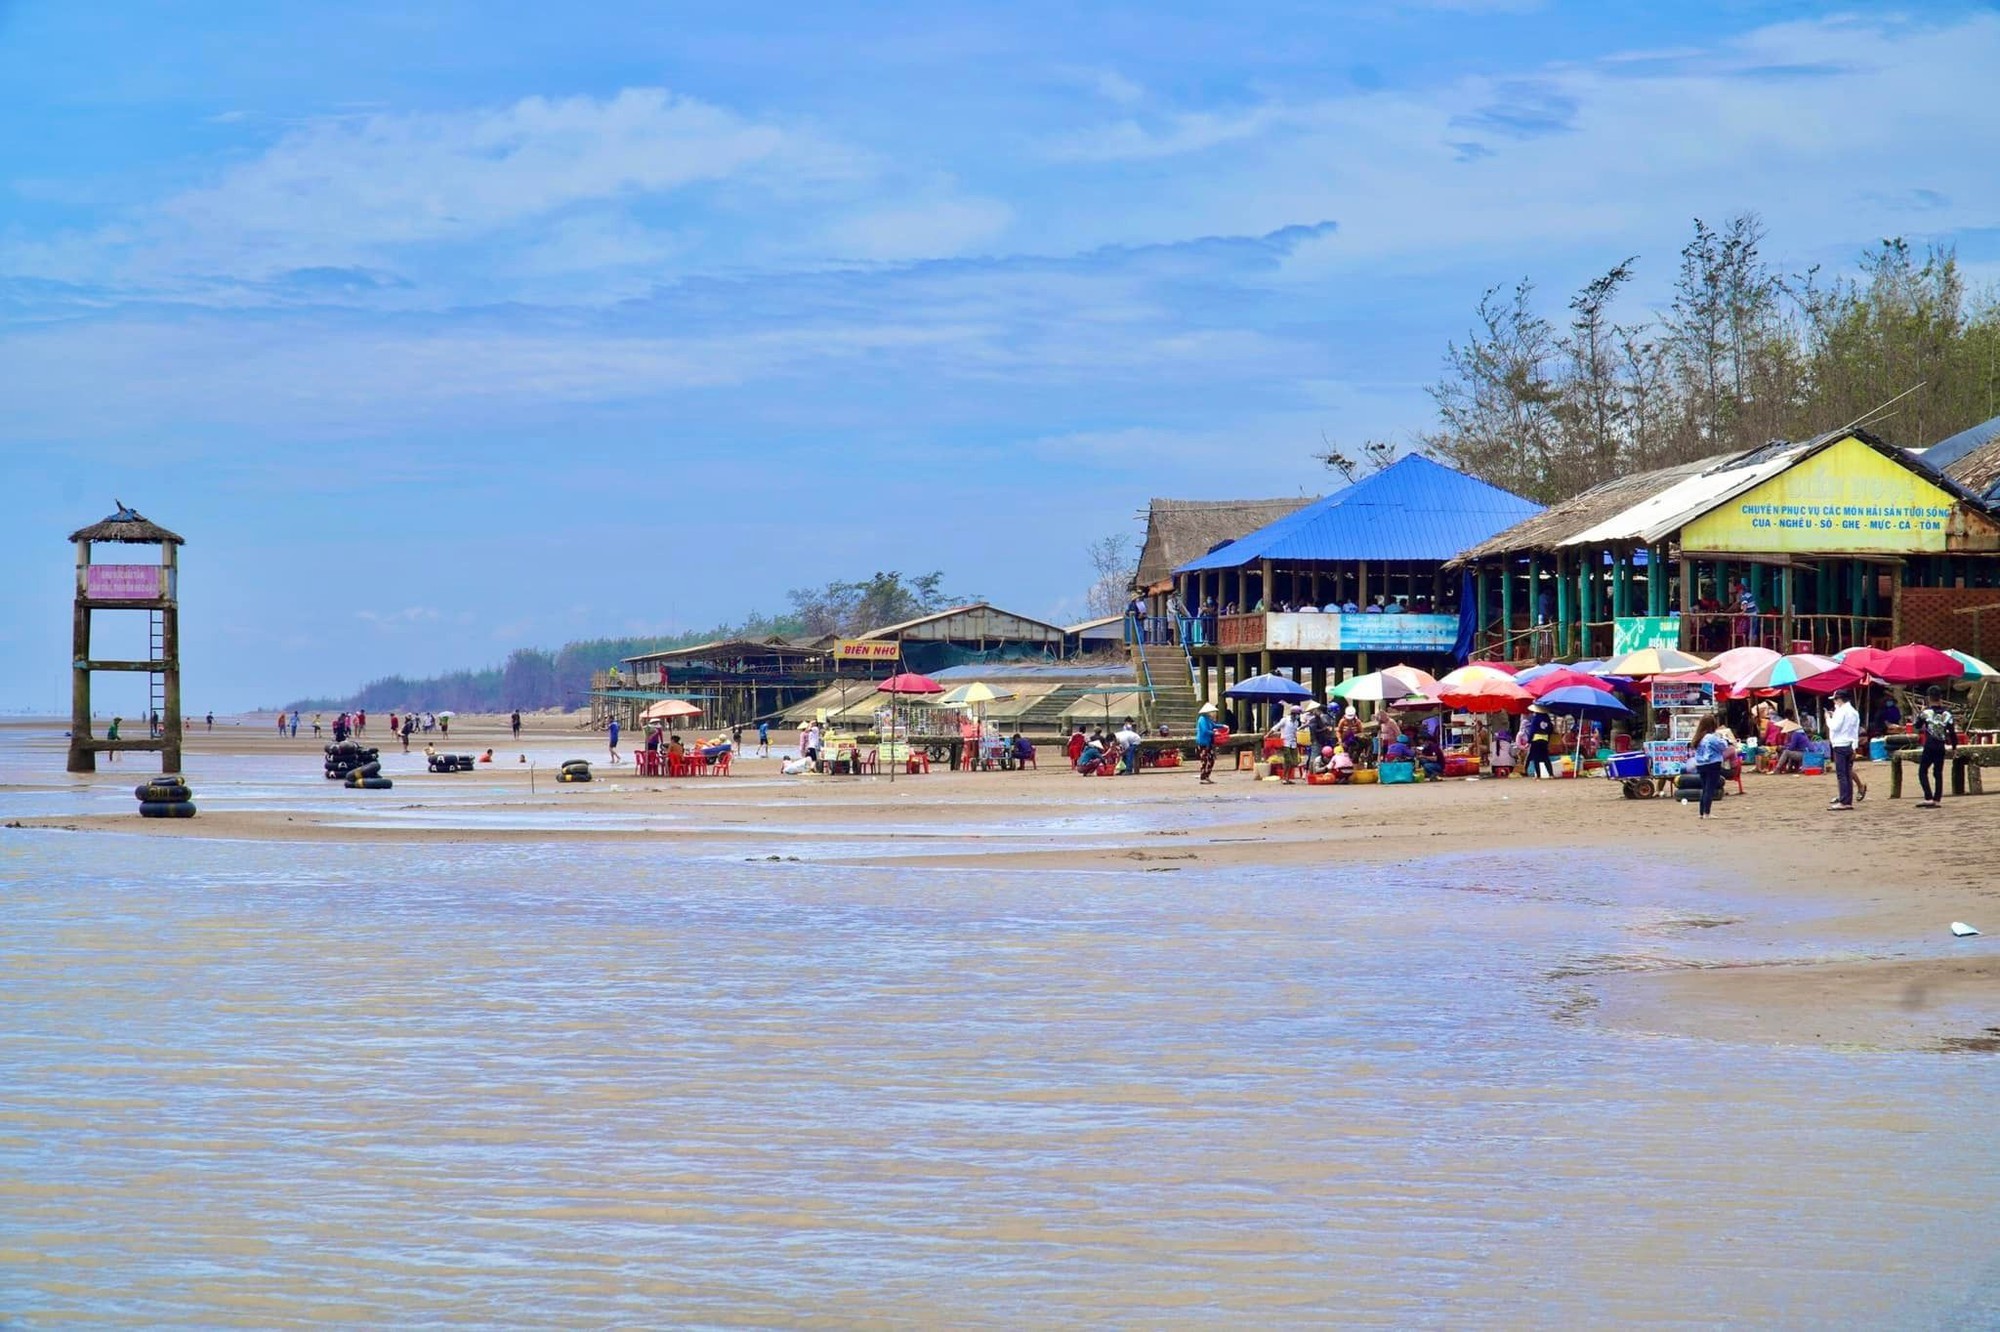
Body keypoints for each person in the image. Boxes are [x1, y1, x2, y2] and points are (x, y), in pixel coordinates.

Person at [1915, 687, 1957, 809]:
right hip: (1940, 745)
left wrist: (1920, 713)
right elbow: (1952, 732)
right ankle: (1937, 798)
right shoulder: (1947, 713)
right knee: (1938, 772)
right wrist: (1954, 747)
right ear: (1940, 698)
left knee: (1922, 771)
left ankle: (1928, 797)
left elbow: (1917, 725)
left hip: (1929, 745)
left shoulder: (1926, 712)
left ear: (1928, 698)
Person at [1826, 689, 1864, 810]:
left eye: (1836, 700)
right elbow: (1854, 730)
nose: (1835, 702)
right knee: (1847, 773)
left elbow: (1835, 727)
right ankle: (1847, 800)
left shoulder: (1841, 711)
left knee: (1842, 774)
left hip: (1840, 744)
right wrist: (1854, 746)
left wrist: (1828, 718)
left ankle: (1844, 801)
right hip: (1849, 744)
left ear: (1840, 699)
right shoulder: (1853, 712)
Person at [1690, 713, 1730, 819]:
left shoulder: (1698, 737)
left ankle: (1701, 812)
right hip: (1712, 764)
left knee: (1704, 789)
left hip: (1701, 764)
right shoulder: (1712, 738)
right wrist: (1724, 738)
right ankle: (1707, 813)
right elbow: (1723, 746)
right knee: (1710, 789)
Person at [1523, 705, 1555, 779]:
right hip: (1545, 740)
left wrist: (1529, 741)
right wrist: (1547, 738)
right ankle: (1551, 774)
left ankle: (1538, 775)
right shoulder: (1548, 719)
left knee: (1536, 758)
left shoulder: (1536, 719)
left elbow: (1532, 731)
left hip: (1536, 740)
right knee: (1546, 758)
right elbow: (1550, 730)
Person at [1194, 702, 1220, 784]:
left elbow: (1214, 725)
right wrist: (1213, 733)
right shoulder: (1202, 719)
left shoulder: (1208, 719)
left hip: (1208, 743)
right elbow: (1205, 731)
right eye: (1212, 712)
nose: (1214, 713)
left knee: (1211, 759)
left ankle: (1207, 776)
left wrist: (1223, 726)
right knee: (1204, 760)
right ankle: (1203, 777)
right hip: (1202, 743)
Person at [1275, 706, 1300, 785]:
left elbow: (1295, 732)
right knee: (1288, 761)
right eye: (1298, 714)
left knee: (1294, 762)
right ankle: (1284, 778)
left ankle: (1288, 778)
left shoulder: (1296, 722)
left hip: (1293, 743)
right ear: (1294, 714)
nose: (1298, 716)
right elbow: (1276, 727)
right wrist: (1268, 735)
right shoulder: (1285, 720)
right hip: (1285, 743)